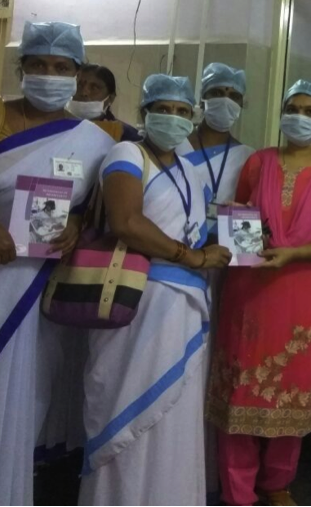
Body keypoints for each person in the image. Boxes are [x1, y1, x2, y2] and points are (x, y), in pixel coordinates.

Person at [0, 21, 118, 505]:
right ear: (22, 68)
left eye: (62, 67)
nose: (49, 74)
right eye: (38, 64)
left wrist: (75, 226)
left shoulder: (96, 140)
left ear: (77, 73)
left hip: (41, 295)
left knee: (24, 408)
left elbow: (94, 213)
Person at [79, 74, 231, 506]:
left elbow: (193, 228)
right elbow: (127, 222)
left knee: (175, 419)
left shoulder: (190, 170)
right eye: (165, 109)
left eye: (184, 111)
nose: (175, 118)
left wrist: (245, 237)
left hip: (181, 308)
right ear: (146, 113)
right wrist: (193, 257)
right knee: (128, 410)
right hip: (135, 300)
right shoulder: (126, 153)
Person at [208, 80, 311, 507]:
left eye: (310, 110)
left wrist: (294, 254)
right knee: (241, 389)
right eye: (292, 107)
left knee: (291, 387)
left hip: (307, 294)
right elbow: (239, 219)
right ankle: (237, 492)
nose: (299, 116)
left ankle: (276, 484)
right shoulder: (257, 163)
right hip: (250, 291)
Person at [179, 63, 255, 244]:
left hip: (223, 255)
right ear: (203, 97)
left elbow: (245, 244)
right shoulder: (175, 145)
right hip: (170, 247)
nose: (225, 100)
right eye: (217, 93)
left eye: (234, 96)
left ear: (241, 104)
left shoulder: (249, 157)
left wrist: (238, 253)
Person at [70, 63, 142, 141]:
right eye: (80, 85)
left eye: (94, 88)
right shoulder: (60, 126)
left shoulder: (127, 135)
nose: (84, 93)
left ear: (110, 98)